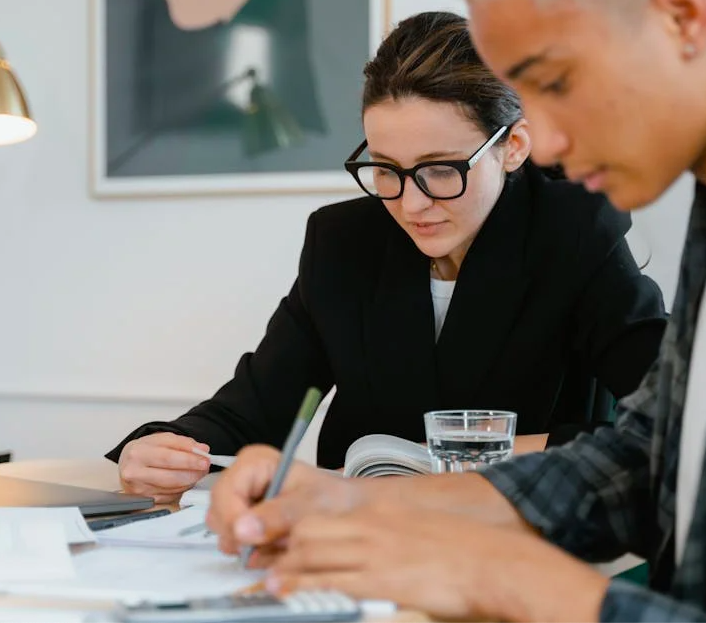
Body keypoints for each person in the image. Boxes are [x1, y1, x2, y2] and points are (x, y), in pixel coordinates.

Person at [204, 0, 706, 620]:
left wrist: (497, 573)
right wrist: (365, 507)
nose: (539, 144)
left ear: (681, 14)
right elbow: (644, 458)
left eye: (554, 82)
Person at [107, 11, 667, 504]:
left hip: (519, 539)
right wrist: (156, 448)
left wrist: (469, 457)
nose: (411, 202)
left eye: (441, 168)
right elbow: (251, 411)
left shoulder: (574, 231)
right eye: (385, 168)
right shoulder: (343, 241)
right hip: (364, 536)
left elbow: (667, 420)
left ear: (513, 147)